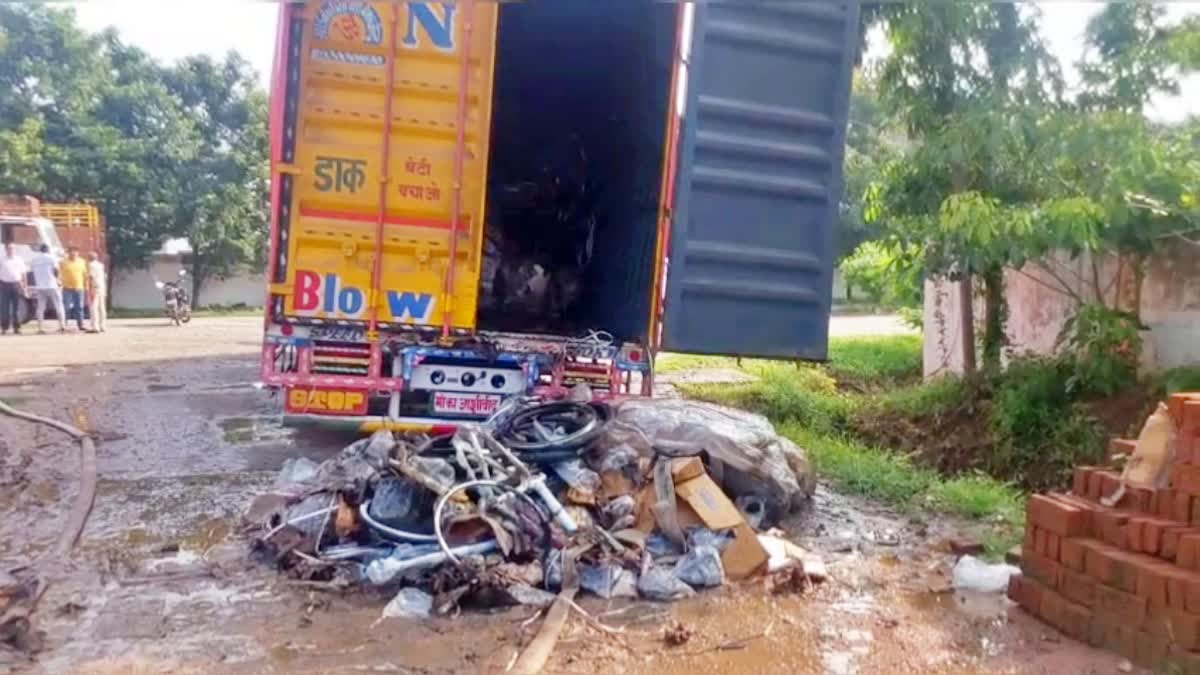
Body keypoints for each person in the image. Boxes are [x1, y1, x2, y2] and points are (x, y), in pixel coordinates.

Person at [29, 244, 66, 334]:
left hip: (40, 286)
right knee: (59, 305)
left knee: (40, 307)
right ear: (48, 250)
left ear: (40, 250)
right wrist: (58, 281)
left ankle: (40, 328)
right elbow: (56, 271)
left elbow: (32, 272)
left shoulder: (34, 260)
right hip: (52, 285)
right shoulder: (51, 258)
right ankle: (62, 326)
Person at [0, 242, 29, 335]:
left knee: (16, 308)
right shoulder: (2, 260)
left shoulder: (19, 260)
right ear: (6, 249)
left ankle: (17, 328)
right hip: (4, 285)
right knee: (4, 308)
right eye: (9, 248)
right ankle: (4, 328)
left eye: (12, 248)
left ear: (14, 249)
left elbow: (23, 274)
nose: (11, 250)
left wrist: (25, 287)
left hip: (16, 284)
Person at [59, 248, 88, 332]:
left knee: (79, 307)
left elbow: (85, 274)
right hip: (66, 288)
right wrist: (59, 281)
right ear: (68, 253)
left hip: (79, 287)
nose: (73, 254)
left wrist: (86, 285)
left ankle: (81, 325)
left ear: (78, 253)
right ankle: (64, 325)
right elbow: (58, 273)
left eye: (75, 253)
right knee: (65, 307)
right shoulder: (63, 262)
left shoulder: (82, 261)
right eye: (71, 253)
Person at [86, 251, 107, 333]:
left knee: (94, 308)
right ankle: (103, 326)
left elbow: (91, 277)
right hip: (102, 287)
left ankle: (95, 327)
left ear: (90, 258)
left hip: (95, 287)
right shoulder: (101, 265)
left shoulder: (91, 265)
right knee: (102, 308)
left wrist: (90, 289)